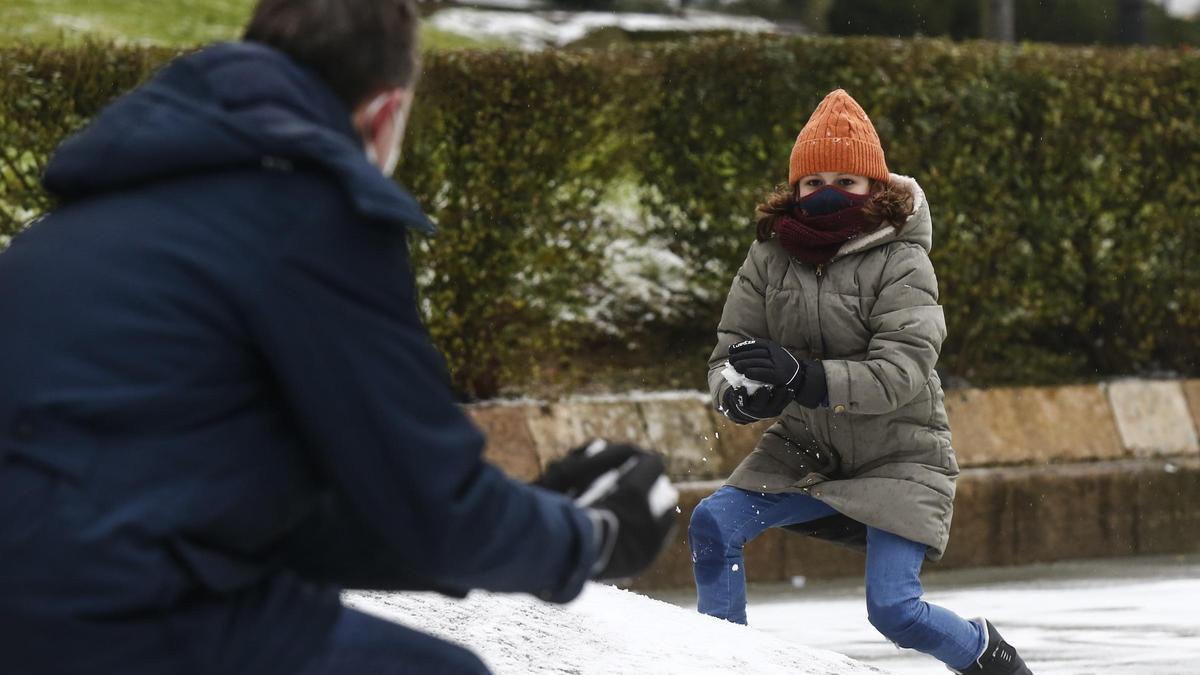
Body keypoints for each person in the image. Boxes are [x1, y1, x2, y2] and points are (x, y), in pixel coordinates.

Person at [0, 1, 676, 673]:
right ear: (385, 115)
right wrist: (594, 536)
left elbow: (290, 526)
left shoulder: (95, 211)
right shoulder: (309, 214)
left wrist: (535, 512)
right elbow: (431, 508)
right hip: (111, 615)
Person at [689, 89, 1033, 675]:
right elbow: (728, 355)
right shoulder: (768, 257)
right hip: (805, 450)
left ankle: (988, 658)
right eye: (811, 181)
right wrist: (744, 395)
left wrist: (806, 376)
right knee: (712, 522)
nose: (825, 193)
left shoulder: (903, 262)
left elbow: (903, 371)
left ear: (876, 190)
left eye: (846, 182)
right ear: (792, 190)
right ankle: (728, 660)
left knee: (895, 611)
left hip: (900, 456)